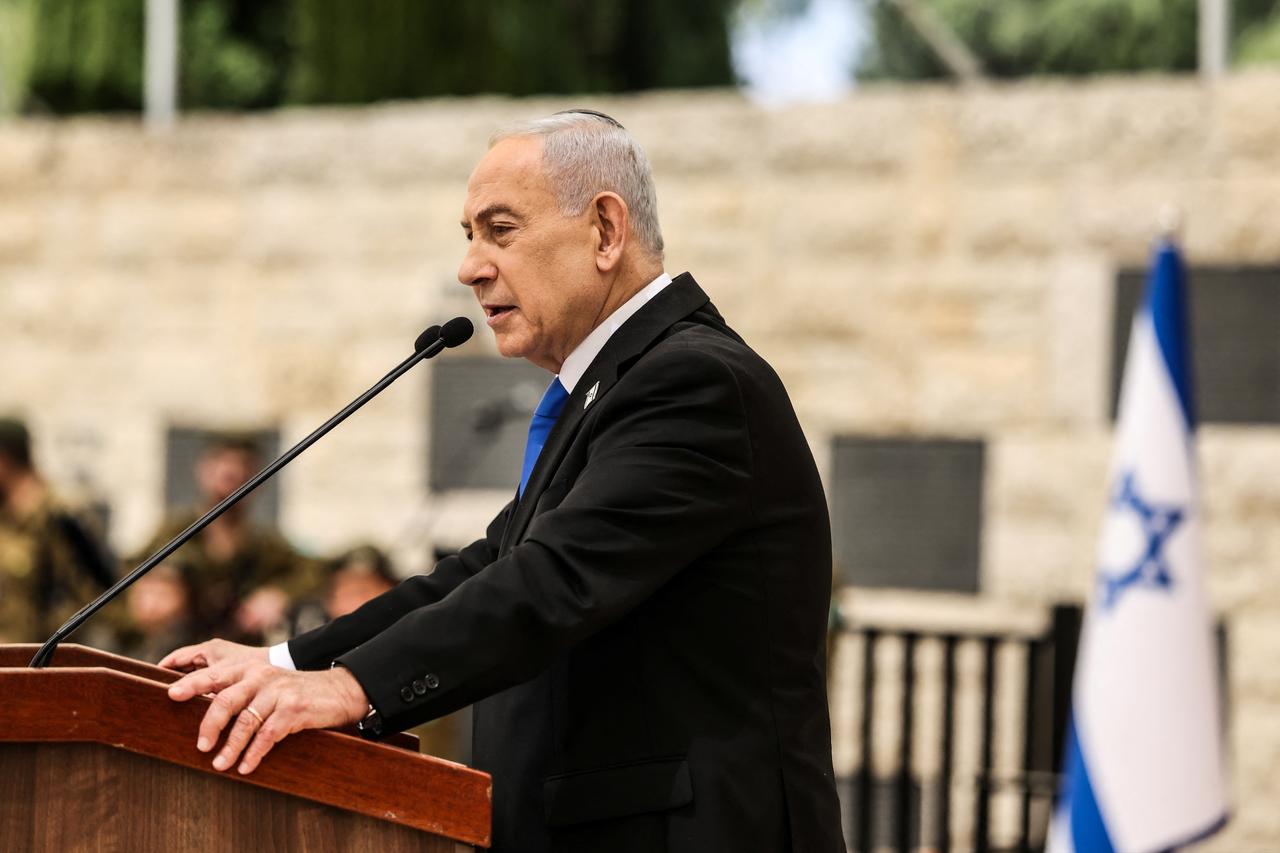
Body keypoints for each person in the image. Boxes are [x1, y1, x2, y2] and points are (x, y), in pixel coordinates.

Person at [162, 110, 844, 852]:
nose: (471, 267)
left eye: (500, 230)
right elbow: (489, 569)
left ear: (605, 231)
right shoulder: (615, 387)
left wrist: (352, 686)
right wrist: (286, 661)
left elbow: (552, 581)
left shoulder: (693, 381)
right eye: (469, 235)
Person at [130, 432, 319, 650]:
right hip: (175, 649)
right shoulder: (174, 532)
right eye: (221, 462)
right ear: (203, 471)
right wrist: (146, 599)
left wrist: (279, 594)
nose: (232, 471)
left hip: (238, 652)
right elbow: (125, 577)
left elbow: (313, 574)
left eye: (243, 464)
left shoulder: (263, 544)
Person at [0, 417, 116, 644]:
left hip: (44, 653)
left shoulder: (61, 515)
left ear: (5, 458)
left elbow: (91, 593)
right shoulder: (6, 514)